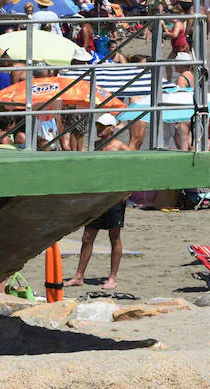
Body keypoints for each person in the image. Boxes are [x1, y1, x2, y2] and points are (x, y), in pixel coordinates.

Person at [64, 115, 130, 290]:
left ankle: (112, 277)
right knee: (87, 237)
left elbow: (135, 168)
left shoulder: (121, 147)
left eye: (103, 127)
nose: (99, 129)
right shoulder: (95, 145)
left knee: (114, 236)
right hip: (97, 197)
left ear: (112, 128)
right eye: (98, 126)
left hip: (114, 197)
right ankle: (79, 276)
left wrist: (128, 191)